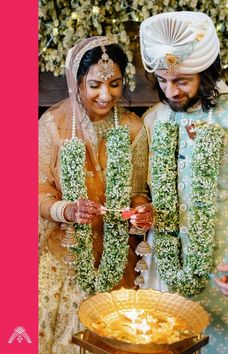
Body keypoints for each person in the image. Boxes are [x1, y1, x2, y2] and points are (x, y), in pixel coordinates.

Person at [132, 11, 228, 353]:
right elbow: (141, 191)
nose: (171, 90)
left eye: (182, 80)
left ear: (206, 74)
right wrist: (140, 208)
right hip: (167, 273)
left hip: (227, 270)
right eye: (162, 80)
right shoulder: (154, 119)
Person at [39, 36, 150, 354]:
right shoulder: (52, 123)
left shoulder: (133, 127)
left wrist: (142, 211)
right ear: (76, 83)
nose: (106, 95)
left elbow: (138, 192)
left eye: (115, 84)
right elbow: (37, 189)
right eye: (95, 85)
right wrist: (68, 210)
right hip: (65, 253)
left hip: (116, 256)